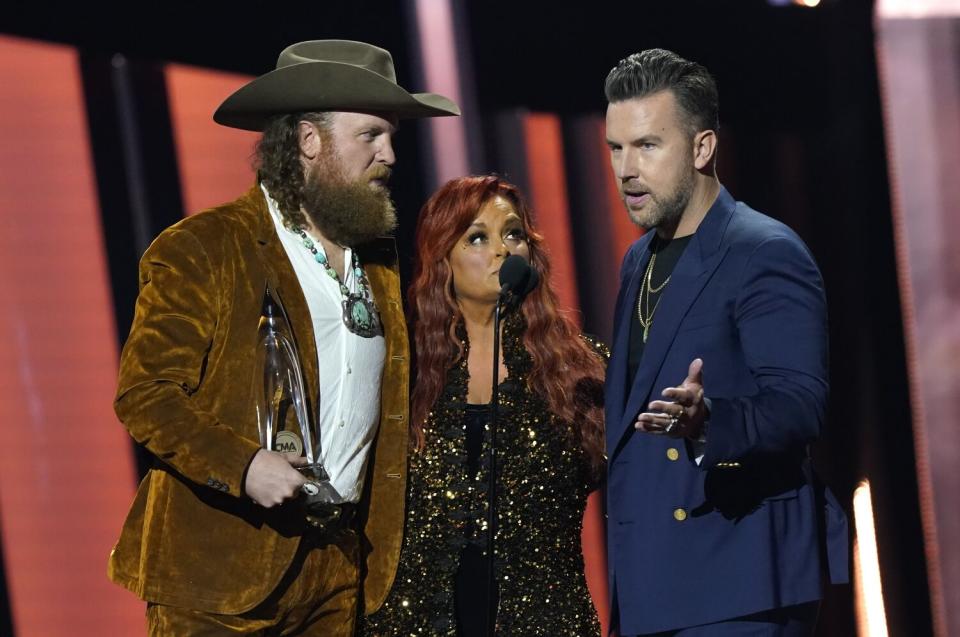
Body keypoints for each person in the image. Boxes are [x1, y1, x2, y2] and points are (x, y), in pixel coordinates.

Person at [106, 40, 458, 636]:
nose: (391, 154)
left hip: (336, 569)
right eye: (370, 135)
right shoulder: (206, 247)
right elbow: (147, 395)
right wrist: (243, 465)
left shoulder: (377, 261)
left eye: (393, 136)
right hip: (221, 577)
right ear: (308, 141)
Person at [602, 49, 848, 636]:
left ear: (703, 147)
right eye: (616, 147)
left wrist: (709, 419)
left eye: (647, 145)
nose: (626, 169)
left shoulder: (763, 251)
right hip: (652, 585)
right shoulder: (639, 260)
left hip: (737, 583)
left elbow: (798, 403)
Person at [360, 175, 607, 636]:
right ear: (442, 259)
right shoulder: (402, 373)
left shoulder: (582, 371)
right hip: (415, 622)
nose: (502, 250)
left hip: (545, 621)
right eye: (478, 237)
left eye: (513, 234)